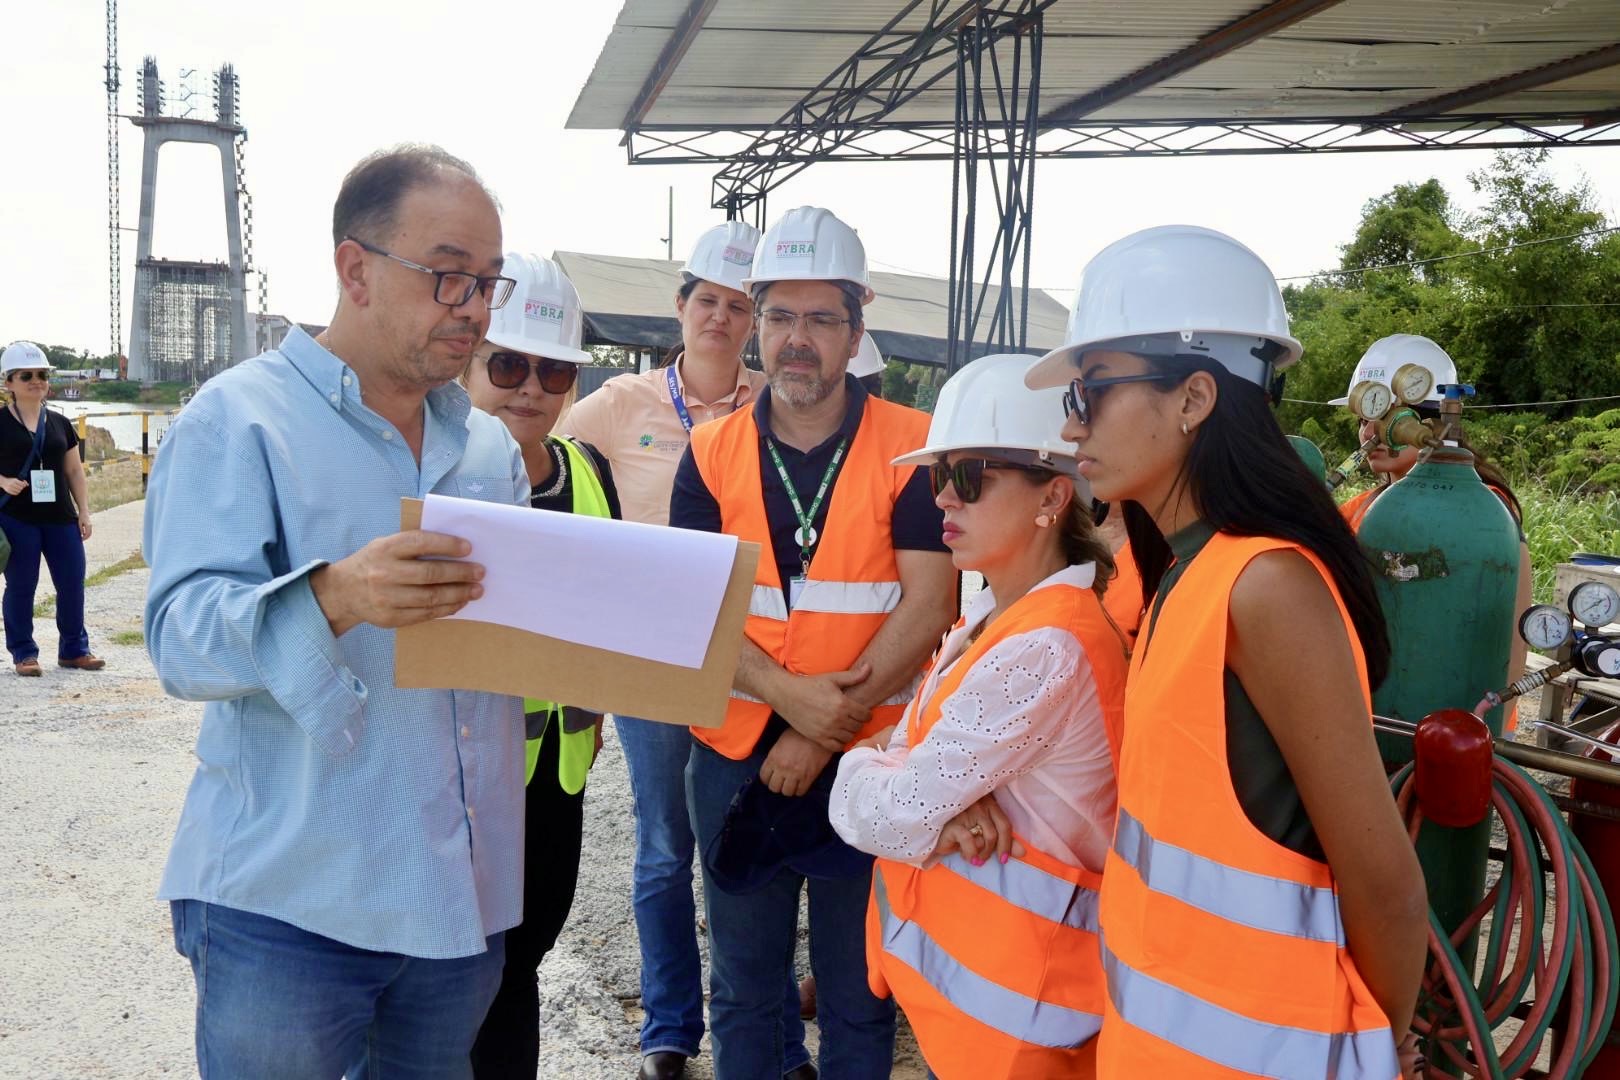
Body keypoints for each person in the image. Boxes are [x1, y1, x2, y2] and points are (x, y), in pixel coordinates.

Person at [144, 145, 531, 1079]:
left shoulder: (484, 446)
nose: (473, 309)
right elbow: (180, 640)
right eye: (447, 276)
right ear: (355, 268)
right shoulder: (239, 422)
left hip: (456, 903)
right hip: (289, 905)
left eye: (488, 282)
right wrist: (336, 596)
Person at [1026, 224, 1429, 1078]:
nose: (1071, 427)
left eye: (1092, 393)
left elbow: (1384, 883)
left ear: (1194, 398)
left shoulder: (1265, 587)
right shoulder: (1189, 573)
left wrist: (1379, 1040)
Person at [671, 205, 958, 1079]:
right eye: (782, 317)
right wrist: (790, 701)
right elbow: (691, 605)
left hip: (869, 757)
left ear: (856, 329)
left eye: (822, 320)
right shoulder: (710, 452)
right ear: (757, 325)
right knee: (746, 988)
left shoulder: (913, 447)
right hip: (733, 754)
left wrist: (818, 726)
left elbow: (930, 599)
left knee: (857, 991)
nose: (800, 340)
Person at [829, 352, 1129, 1076]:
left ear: (1053, 498)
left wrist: (873, 774)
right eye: (939, 478)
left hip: (1020, 1020)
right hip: (988, 1003)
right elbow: (901, 769)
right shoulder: (998, 615)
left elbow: (888, 812)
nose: (943, 502)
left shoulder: (1045, 644)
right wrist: (909, 786)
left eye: (969, 479)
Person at [561, 221, 813, 1080]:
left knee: (747, 845)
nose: (720, 316)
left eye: (738, 306)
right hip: (650, 663)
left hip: (747, 664)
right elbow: (546, 479)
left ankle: (773, 1037)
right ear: (681, 307)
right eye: (707, 299)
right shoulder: (617, 405)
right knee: (665, 845)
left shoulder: (772, 407)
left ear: (755, 320)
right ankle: (671, 1029)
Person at [464, 253, 620, 1077]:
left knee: (521, 962)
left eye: (554, 368)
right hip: (457, 777)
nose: (531, 386)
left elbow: (606, 614)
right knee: (458, 978)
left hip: (555, 778)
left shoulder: (589, 474)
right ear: (468, 359)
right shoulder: (434, 477)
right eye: (509, 363)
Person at [1334, 334, 1533, 728]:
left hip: (1461, 729)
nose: (1369, 433)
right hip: (1376, 720)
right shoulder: (1359, 509)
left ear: (1432, 422)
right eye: (1363, 418)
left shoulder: (1483, 510)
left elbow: (1510, 635)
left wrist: (1487, 741)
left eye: (1384, 418)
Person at [0, 341, 103, 677]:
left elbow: (74, 470)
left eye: (42, 375)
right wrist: (1, 481)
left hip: (61, 518)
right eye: (26, 375)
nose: (36, 381)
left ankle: (74, 650)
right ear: (9, 382)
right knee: (21, 586)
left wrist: (84, 512)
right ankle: (24, 654)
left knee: (72, 582)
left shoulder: (59, 422)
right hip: (17, 519)